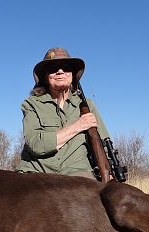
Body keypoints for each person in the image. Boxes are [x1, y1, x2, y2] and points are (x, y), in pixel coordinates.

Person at [16, 48, 110, 180]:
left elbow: (104, 144)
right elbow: (36, 144)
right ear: (45, 76)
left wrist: (109, 173)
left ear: (72, 74)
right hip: (37, 173)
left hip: (78, 173)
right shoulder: (31, 104)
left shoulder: (88, 106)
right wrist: (78, 126)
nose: (60, 71)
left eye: (66, 68)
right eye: (53, 68)